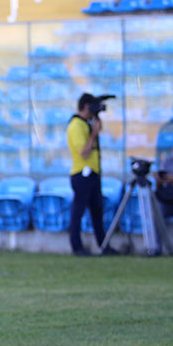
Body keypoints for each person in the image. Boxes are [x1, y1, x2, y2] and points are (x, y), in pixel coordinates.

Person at [66, 93, 117, 256]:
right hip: (82, 175)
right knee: (78, 212)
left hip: (93, 174)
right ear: (87, 107)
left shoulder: (85, 124)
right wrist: (94, 133)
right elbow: (84, 153)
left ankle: (103, 245)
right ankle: (77, 247)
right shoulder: (76, 126)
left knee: (97, 211)